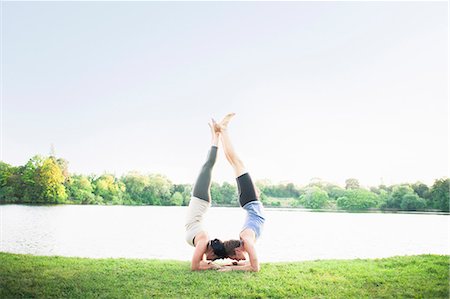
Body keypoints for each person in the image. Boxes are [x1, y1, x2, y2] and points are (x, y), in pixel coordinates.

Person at [214, 113, 266, 272]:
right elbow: (252, 265)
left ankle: (223, 130)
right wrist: (234, 265)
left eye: (235, 257)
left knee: (236, 162)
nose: (238, 259)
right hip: (249, 201)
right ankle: (221, 131)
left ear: (237, 250)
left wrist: (231, 269)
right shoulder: (246, 240)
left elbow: (254, 267)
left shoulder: (247, 241)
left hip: (250, 200)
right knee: (234, 162)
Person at [185, 119, 225, 271]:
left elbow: (195, 267)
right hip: (200, 200)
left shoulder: (203, 242)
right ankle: (215, 136)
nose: (210, 259)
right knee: (207, 166)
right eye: (213, 258)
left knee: (207, 165)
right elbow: (198, 265)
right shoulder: (204, 241)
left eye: (213, 260)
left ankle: (216, 135)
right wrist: (211, 265)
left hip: (199, 199)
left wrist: (210, 265)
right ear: (212, 252)